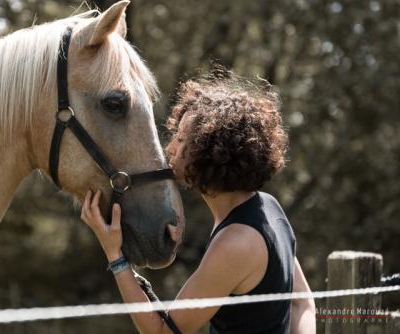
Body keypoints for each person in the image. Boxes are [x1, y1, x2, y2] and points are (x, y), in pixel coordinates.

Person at [80, 70, 316, 333]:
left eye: (181, 140)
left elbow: (161, 332)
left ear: (212, 153)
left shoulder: (236, 243)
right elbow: (303, 304)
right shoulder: (269, 208)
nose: (169, 148)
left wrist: (115, 255)